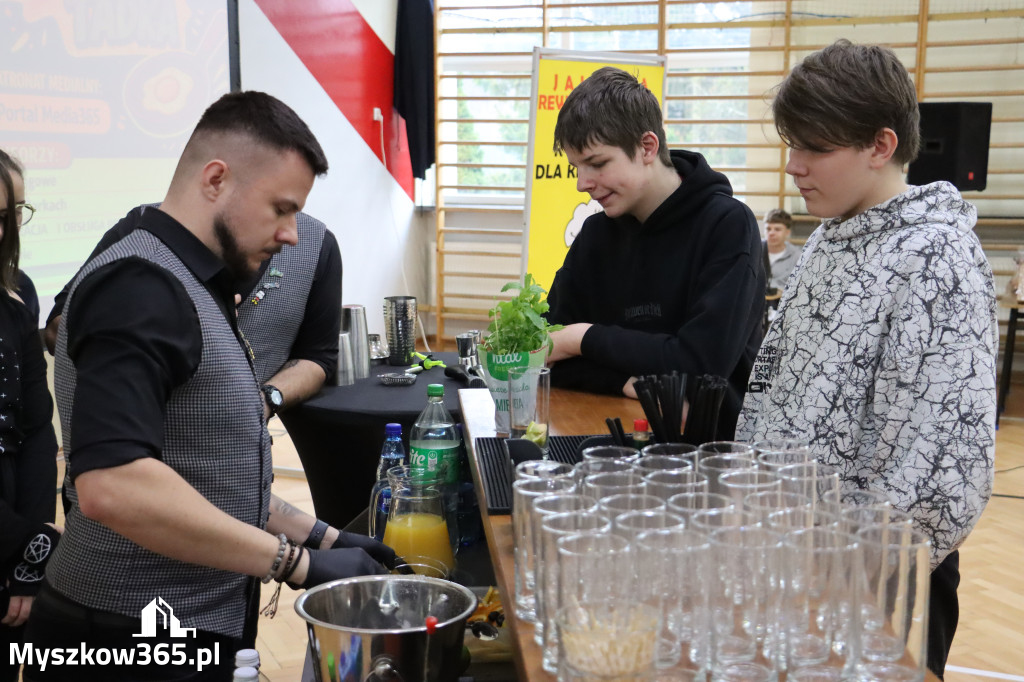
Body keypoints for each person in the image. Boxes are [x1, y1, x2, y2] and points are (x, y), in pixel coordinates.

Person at [24, 92, 393, 682]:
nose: (293, 234)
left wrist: (321, 538)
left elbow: (203, 469)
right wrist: (293, 564)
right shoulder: (140, 285)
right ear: (216, 179)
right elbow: (113, 486)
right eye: (281, 208)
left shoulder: (188, 279)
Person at [735, 40, 996, 679]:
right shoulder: (831, 235)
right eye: (791, 144)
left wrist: (848, 579)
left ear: (880, 146)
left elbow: (939, 471)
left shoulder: (936, 260)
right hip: (795, 565)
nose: (793, 166)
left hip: (872, 590)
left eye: (814, 148)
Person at [544, 66, 764, 439]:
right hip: (605, 434)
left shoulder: (727, 225)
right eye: (576, 168)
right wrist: (627, 380)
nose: (583, 184)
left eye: (597, 164)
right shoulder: (595, 234)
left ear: (647, 147)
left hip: (708, 453)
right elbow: (548, 354)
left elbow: (701, 366)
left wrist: (583, 338)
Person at [43, 207, 341, 419]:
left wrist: (262, 401)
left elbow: (317, 358)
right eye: (277, 205)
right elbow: (57, 330)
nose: (291, 232)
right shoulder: (140, 232)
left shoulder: (316, 245)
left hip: (242, 465)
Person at [0, 151, 60, 682]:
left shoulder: (19, 292)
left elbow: (37, 427)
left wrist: (32, 550)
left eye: (15, 211)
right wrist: (23, 541)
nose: (8, 228)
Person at [762, 208, 801, 292]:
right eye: (768, 229)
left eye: (777, 229)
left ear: (787, 232)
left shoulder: (797, 256)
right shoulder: (754, 251)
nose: (771, 233)